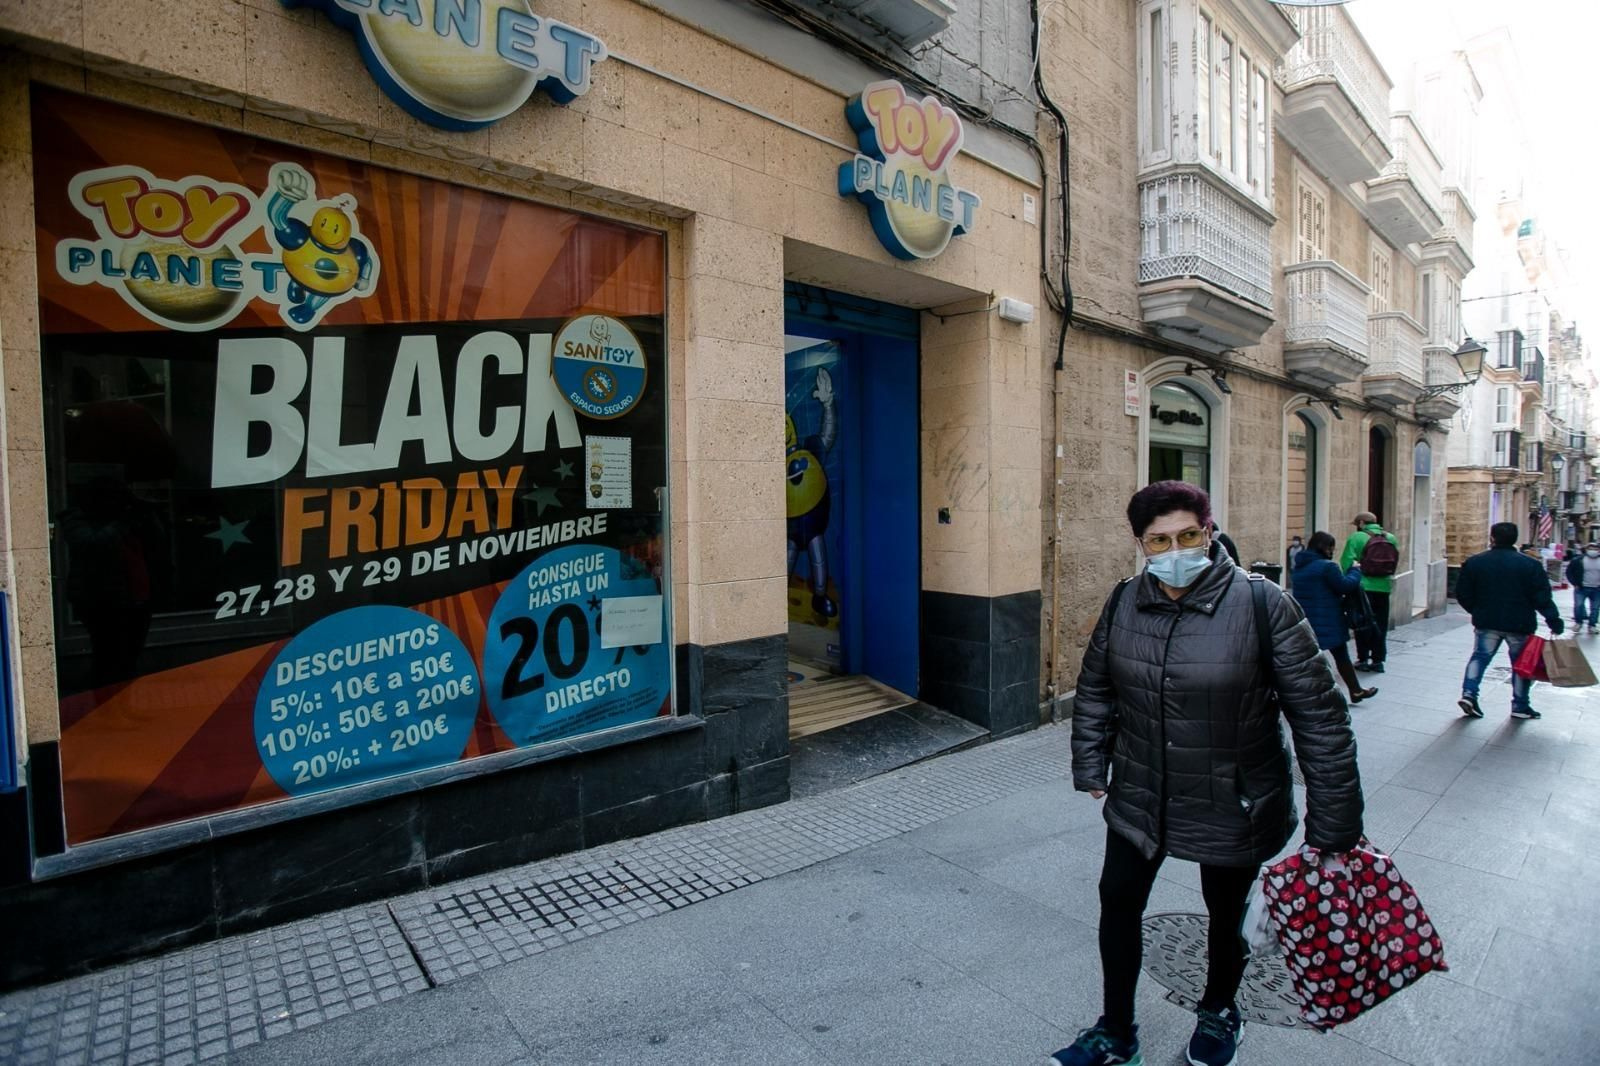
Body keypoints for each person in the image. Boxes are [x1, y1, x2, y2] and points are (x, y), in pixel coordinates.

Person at [1056, 481, 1363, 1066]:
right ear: (1141, 545)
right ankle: (1115, 1031)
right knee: (1117, 902)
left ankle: (1220, 1011)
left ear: (1209, 532)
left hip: (1234, 797)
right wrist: (1091, 762)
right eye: (1159, 540)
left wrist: (1333, 829)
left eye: (1188, 535)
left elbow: (1321, 719)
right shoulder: (1124, 600)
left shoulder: (1262, 604)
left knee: (1225, 916)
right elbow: (1095, 686)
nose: (1175, 549)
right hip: (1142, 791)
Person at [1455, 521, 1564, 720]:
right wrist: (1553, 620)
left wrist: (1477, 610)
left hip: (1487, 620)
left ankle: (1469, 694)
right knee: (1521, 663)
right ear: (1515, 539)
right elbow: (1542, 597)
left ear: (1492, 538)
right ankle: (1520, 705)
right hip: (1519, 622)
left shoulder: (1476, 562)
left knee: (1480, 657)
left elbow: (1462, 593)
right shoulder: (1530, 565)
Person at [1291, 532, 1379, 705]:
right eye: (1331, 547)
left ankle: (1351, 691)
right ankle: (1354, 691)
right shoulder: (1327, 567)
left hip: (1306, 619)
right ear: (1324, 547)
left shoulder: (1299, 566)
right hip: (1328, 619)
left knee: (1308, 659)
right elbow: (1344, 586)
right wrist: (1355, 571)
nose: (1332, 551)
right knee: (1341, 656)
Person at [1340, 513, 1398, 673]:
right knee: (1381, 624)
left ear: (1361, 523)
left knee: (1362, 623)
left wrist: (1348, 580)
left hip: (1363, 587)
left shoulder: (1357, 537)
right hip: (1384, 587)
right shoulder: (1391, 538)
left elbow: (1346, 561)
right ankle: (1378, 661)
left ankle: (1363, 659)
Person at [1565, 543, 1600, 635]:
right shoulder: (1578, 560)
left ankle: (1592, 625)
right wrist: (1575, 583)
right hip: (1581, 588)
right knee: (1579, 606)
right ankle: (1578, 623)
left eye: (1595, 549)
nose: (1593, 550)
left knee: (1595, 608)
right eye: (1591, 548)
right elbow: (1569, 572)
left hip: (1597, 589)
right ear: (1587, 549)